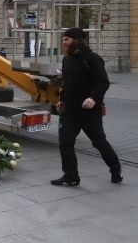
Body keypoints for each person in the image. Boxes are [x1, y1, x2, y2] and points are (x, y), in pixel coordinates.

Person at [51, 27, 122, 187]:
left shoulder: (92, 59)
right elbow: (67, 83)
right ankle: (70, 176)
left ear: (77, 41)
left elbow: (102, 82)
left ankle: (116, 169)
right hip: (69, 110)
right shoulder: (66, 59)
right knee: (65, 143)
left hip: (89, 112)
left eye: (66, 39)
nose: (64, 42)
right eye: (63, 39)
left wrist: (93, 98)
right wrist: (61, 99)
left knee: (99, 142)